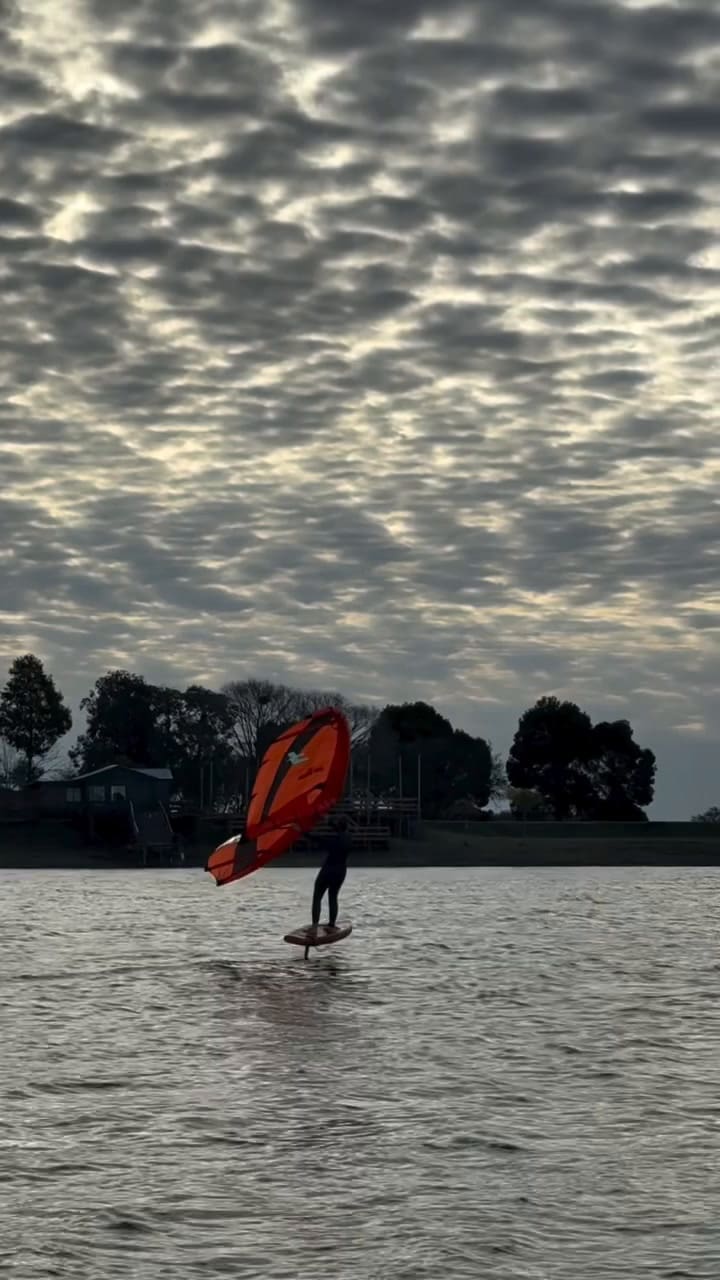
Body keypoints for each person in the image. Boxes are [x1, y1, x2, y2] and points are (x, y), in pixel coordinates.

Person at [311, 816, 351, 930]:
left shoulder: (333, 841)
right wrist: (329, 822)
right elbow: (339, 830)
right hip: (341, 871)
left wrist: (303, 833)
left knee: (317, 896)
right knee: (333, 897)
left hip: (328, 870)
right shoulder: (349, 839)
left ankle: (314, 925)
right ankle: (332, 923)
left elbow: (319, 840)